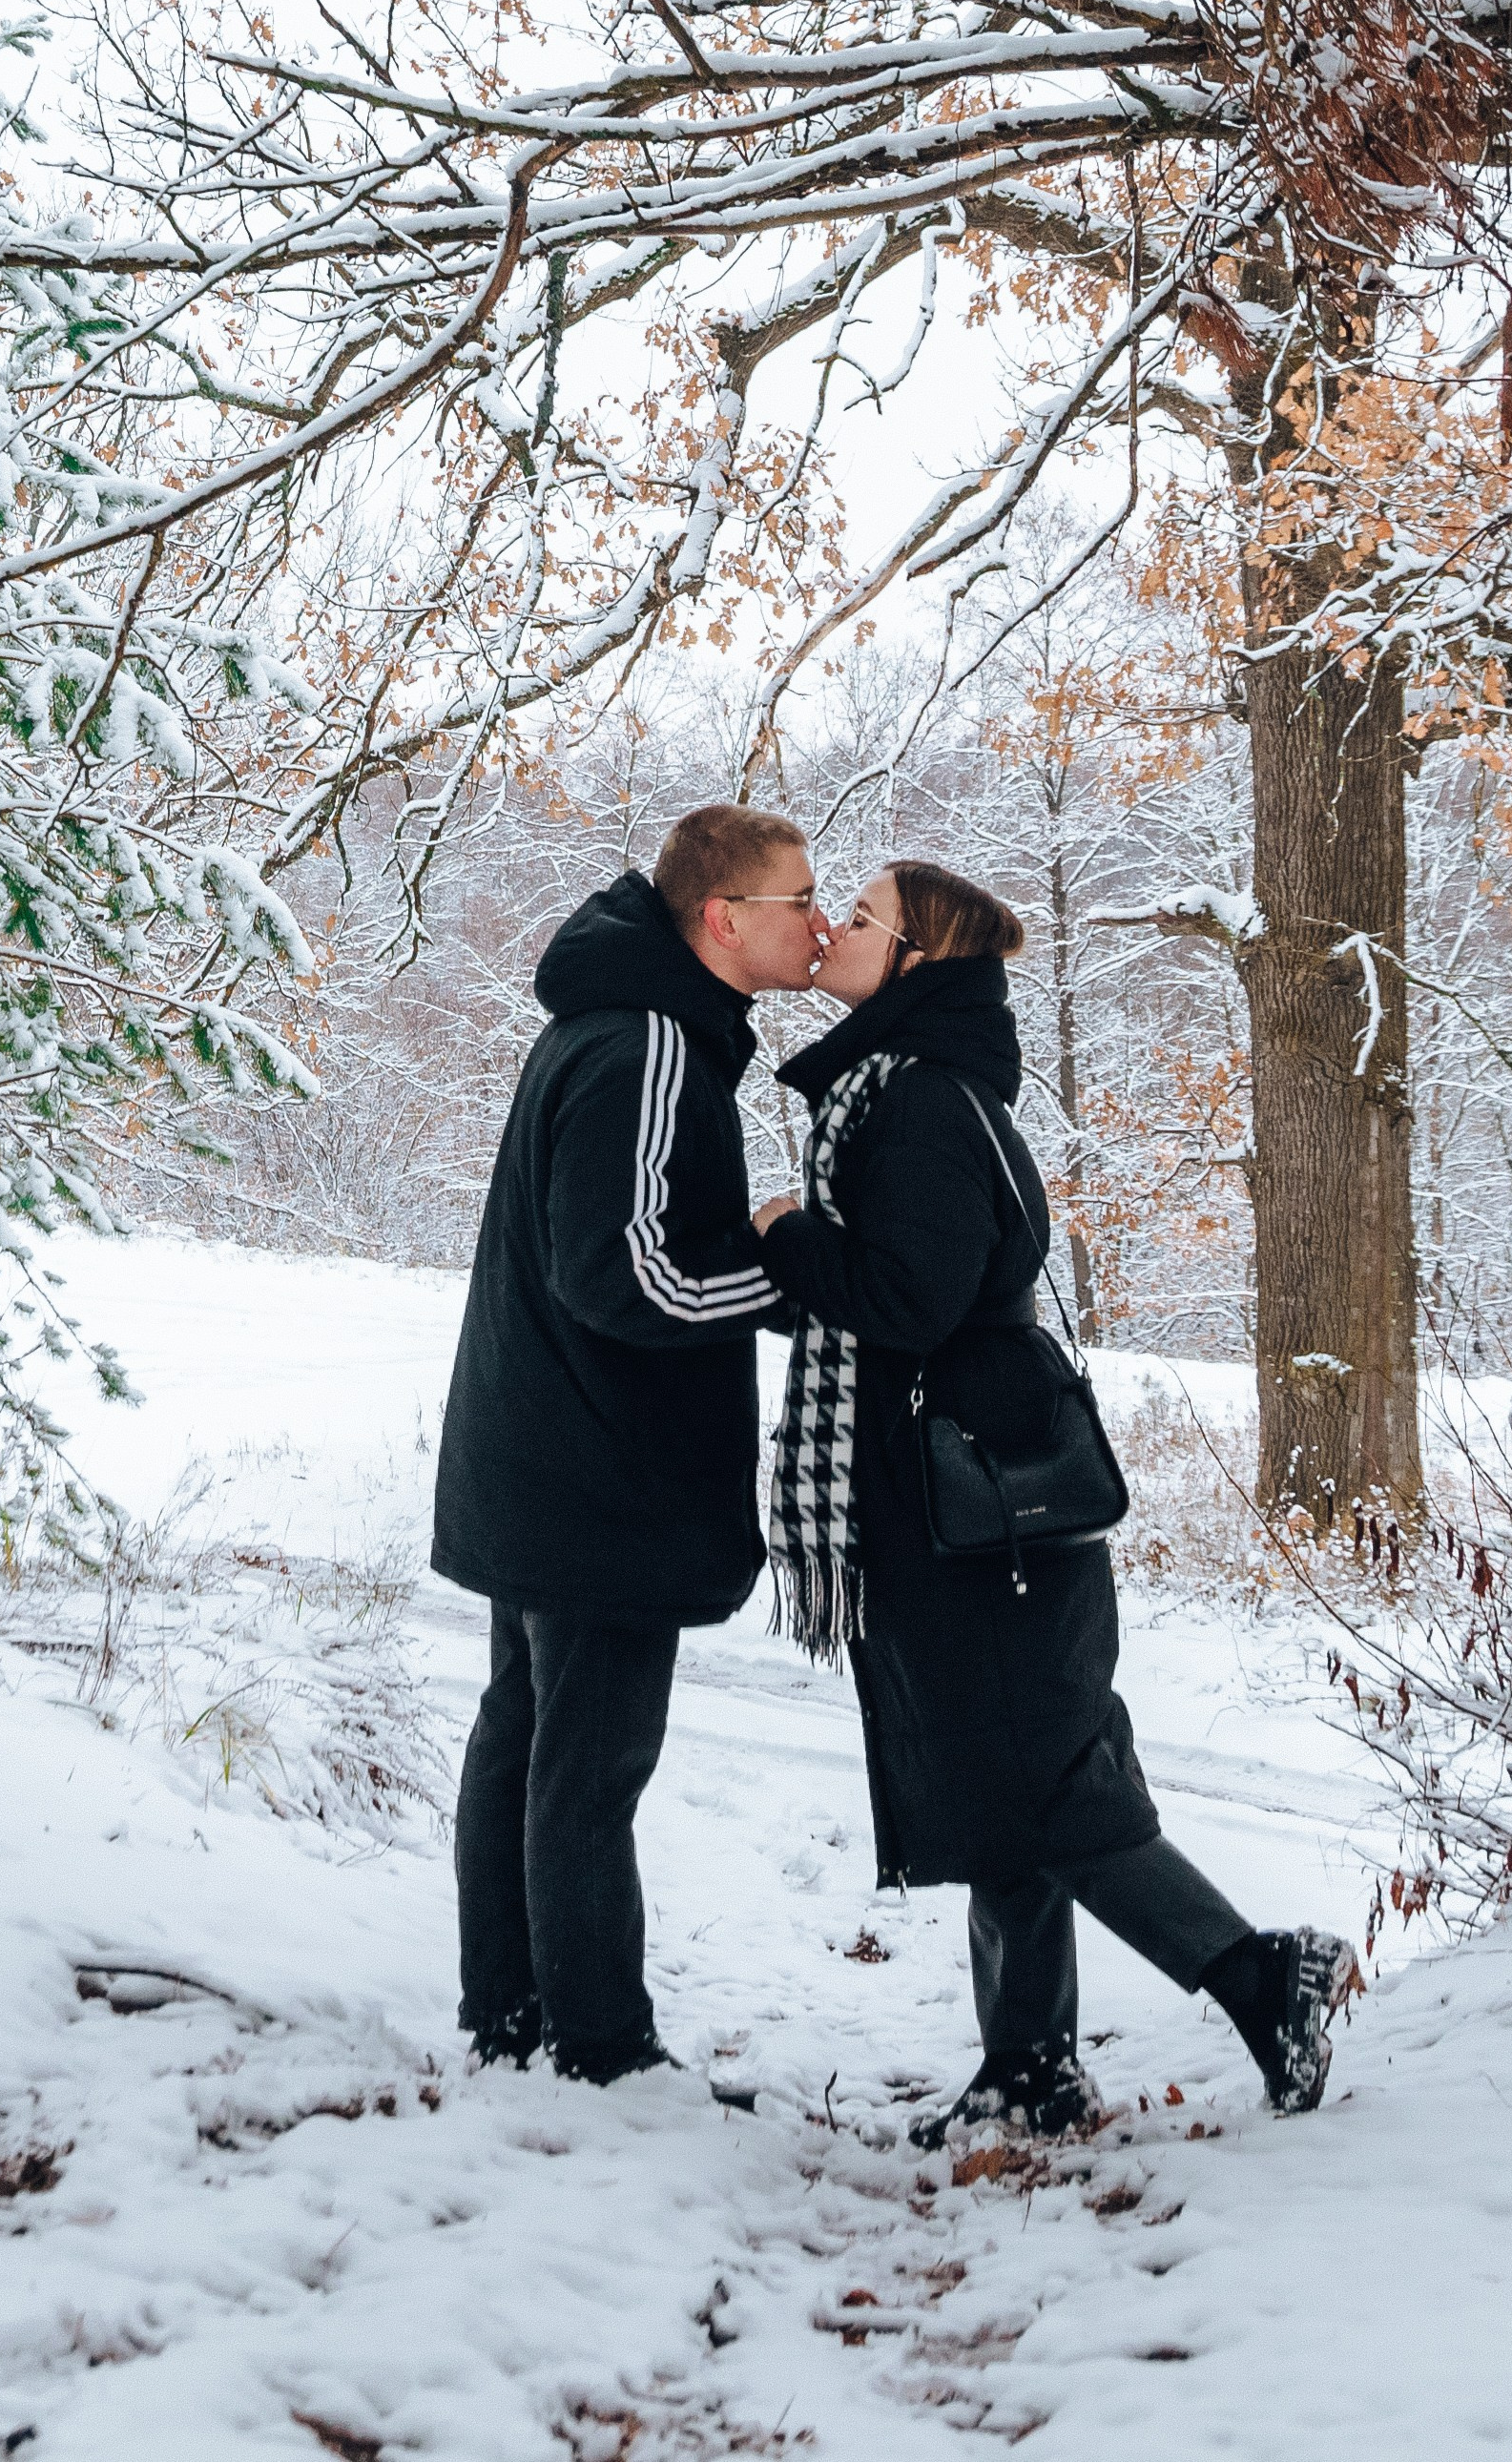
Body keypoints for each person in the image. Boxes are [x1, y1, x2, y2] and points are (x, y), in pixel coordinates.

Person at [752, 859, 1360, 2138]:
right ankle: (1028, 2065)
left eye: (862, 916)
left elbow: (908, 1298)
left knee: (1046, 1788)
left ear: (919, 961)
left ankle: (1262, 1974)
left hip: (979, 1524)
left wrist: (786, 1236)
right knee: (998, 1790)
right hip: (970, 1511)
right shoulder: (910, 1089)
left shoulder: (915, 1101)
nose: (835, 926)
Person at [431, 802, 825, 2084]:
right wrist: (781, 1272)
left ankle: (510, 2017)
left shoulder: (625, 1024)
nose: (817, 924)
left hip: (543, 1457)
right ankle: (599, 2047)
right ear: (723, 918)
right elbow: (624, 1277)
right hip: (595, 1478)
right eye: (796, 900)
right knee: (585, 1768)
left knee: (527, 1739)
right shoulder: (652, 1042)